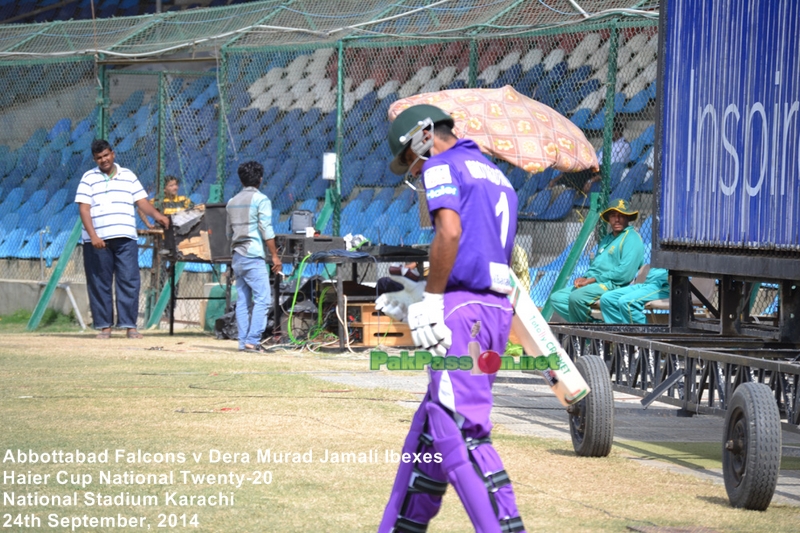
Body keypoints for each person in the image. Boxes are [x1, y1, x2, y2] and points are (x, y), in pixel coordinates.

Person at [376, 104, 525, 533]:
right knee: (430, 432)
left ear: (423, 137)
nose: (413, 168)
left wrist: (434, 300)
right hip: (493, 308)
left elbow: (451, 232)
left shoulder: (441, 166)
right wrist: (425, 292)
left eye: (410, 158)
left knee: (459, 429)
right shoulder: (497, 176)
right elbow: (485, 249)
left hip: (463, 311)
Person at [75, 139, 170, 339]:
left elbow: (141, 202)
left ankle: (130, 326)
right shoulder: (88, 178)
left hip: (126, 238)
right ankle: (104, 327)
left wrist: (158, 216)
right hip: (98, 241)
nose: (104, 160)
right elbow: (84, 209)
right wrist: (93, 236)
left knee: (129, 280)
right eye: (99, 157)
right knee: (100, 282)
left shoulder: (128, 176)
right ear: (95, 159)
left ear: (113, 154)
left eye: (106, 155)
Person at [548, 198, 644, 323]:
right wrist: (585, 277)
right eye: (613, 215)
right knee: (557, 298)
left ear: (627, 218)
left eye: (621, 215)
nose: (617, 219)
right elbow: (597, 266)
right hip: (596, 283)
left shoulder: (632, 238)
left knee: (576, 297)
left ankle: (589, 334)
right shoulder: (607, 239)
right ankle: (596, 328)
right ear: (609, 219)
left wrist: (592, 280)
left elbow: (625, 274)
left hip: (614, 285)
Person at [225, 161, 282, 353]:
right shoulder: (261, 200)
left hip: (237, 257)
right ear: (260, 179)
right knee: (263, 299)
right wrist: (275, 255)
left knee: (242, 301)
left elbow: (228, 233)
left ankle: (243, 343)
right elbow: (266, 229)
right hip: (253, 255)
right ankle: (253, 341)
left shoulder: (231, 202)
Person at [548, 117, 631, 193]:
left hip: (606, 168)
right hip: (597, 166)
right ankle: (562, 184)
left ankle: (566, 186)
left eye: (611, 132)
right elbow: (598, 157)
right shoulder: (610, 144)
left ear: (617, 132)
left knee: (582, 171)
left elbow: (616, 164)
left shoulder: (625, 146)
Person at [599, 267, 669, 324]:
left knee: (627, 302)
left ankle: (642, 336)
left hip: (664, 286)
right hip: (648, 284)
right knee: (607, 299)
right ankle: (620, 335)